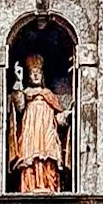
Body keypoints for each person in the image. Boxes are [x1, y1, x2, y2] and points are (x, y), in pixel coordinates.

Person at [8, 51, 69, 192]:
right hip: (31, 132)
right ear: (28, 76)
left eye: (38, 72)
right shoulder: (26, 94)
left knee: (48, 156)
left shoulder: (49, 95)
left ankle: (48, 185)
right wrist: (18, 80)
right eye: (32, 73)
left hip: (47, 130)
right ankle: (30, 185)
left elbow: (58, 117)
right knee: (30, 158)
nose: (36, 75)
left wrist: (67, 115)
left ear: (42, 75)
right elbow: (19, 106)